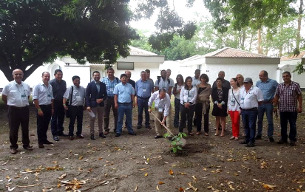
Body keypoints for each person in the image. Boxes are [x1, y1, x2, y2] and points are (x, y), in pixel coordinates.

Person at [2, 69, 33, 154]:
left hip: (24, 109)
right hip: (13, 110)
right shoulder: (8, 86)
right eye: (16, 74)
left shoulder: (26, 85)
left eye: (20, 74)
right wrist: (11, 103)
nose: (18, 76)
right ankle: (13, 146)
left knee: (25, 128)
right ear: (13, 76)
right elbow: (4, 97)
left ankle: (26, 145)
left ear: (22, 75)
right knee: (13, 129)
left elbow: (27, 96)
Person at [273, 71, 302, 146]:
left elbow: (299, 96)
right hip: (282, 109)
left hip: (292, 109)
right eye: (284, 76)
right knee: (283, 125)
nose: (285, 77)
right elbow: (276, 96)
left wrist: (300, 106)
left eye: (287, 76)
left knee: (293, 124)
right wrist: (275, 106)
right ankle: (283, 138)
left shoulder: (295, 85)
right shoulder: (280, 86)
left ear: (290, 76)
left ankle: (292, 139)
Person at [239, 78, 263, 147]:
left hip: (252, 110)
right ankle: (247, 139)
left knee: (251, 125)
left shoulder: (256, 90)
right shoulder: (242, 90)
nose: (245, 84)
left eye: (247, 83)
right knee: (245, 125)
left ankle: (251, 140)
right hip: (243, 110)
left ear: (251, 83)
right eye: (244, 83)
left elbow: (260, 101)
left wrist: (253, 105)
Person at [33, 72, 54, 149]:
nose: (47, 78)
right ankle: (40, 141)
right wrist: (39, 109)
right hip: (41, 107)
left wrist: (52, 108)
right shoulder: (37, 86)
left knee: (46, 124)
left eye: (48, 76)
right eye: (45, 76)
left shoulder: (50, 86)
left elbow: (52, 98)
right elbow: (35, 99)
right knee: (40, 125)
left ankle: (44, 139)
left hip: (48, 107)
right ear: (42, 76)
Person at [256, 70, 278, 142]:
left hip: (269, 103)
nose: (259, 77)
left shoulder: (273, 82)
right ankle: (259, 134)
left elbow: (279, 90)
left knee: (270, 120)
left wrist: (275, 98)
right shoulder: (258, 83)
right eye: (259, 76)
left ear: (266, 76)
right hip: (260, 104)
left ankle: (270, 135)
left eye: (261, 76)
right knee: (259, 120)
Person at [86, 71, 108, 140]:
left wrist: (102, 99)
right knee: (92, 119)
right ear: (93, 76)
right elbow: (87, 96)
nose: (97, 77)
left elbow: (106, 95)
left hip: (101, 104)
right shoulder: (90, 85)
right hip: (93, 105)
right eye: (95, 75)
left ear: (100, 76)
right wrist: (88, 105)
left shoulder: (103, 85)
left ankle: (101, 132)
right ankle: (92, 133)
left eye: (98, 75)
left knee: (100, 119)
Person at [63, 76, 86, 140]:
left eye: (78, 80)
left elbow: (85, 97)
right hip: (73, 107)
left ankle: (79, 133)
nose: (77, 82)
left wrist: (85, 105)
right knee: (72, 121)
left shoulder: (82, 88)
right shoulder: (71, 88)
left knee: (80, 121)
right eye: (76, 80)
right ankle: (71, 134)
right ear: (73, 81)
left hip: (80, 107)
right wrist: (64, 104)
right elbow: (65, 97)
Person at [49, 69, 67, 141]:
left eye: (61, 74)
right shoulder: (51, 83)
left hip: (61, 102)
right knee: (54, 118)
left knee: (61, 117)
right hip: (54, 102)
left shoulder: (63, 82)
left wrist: (64, 103)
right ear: (55, 75)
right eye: (58, 74)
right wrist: (52, 106)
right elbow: (50, 94)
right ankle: (54, 133)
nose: (60, 76)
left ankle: (60, 131)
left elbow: (65, 92)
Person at [102, 68, 120, 135]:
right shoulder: (103, 80)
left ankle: (116, 128)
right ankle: (106, 129)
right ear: (107, 73)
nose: (110, 73)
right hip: (107, 98)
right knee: (106, 115)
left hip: (115, 99)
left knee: (116, 114)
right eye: (109, 72)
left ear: (114, 72)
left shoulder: (117, 80)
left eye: (111, 72)